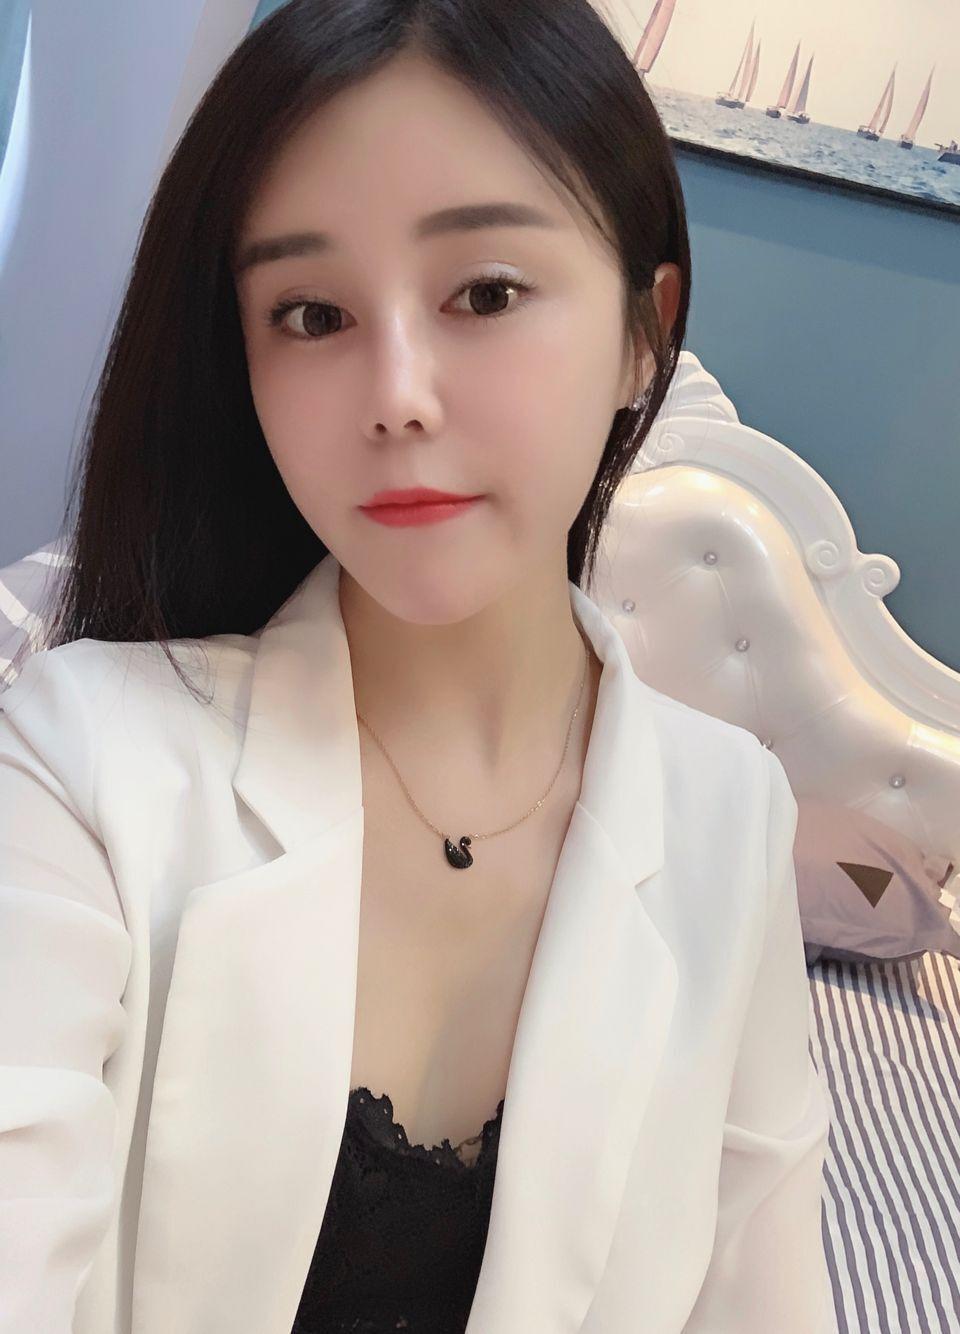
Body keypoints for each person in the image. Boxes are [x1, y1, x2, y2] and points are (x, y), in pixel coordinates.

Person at [0, 1, 836, 1331]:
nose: (395, 393)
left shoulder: (731, 819)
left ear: (644, 330)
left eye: (485, 294)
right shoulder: (76, 765)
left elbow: (761, 1294)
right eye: (311, 312)